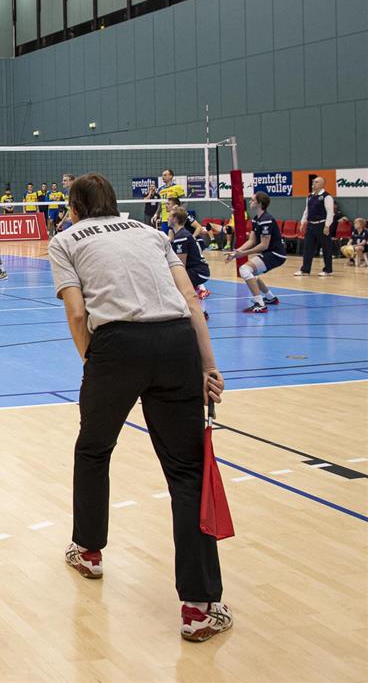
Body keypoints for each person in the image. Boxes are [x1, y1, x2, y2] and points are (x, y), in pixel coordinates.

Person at [47, 172, 229, 643]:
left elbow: (77, 313)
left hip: (116, 346)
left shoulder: (65, 240)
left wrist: (96, 363)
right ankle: (199, 608)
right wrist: (208, 366)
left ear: (75, 208)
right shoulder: (152, 233)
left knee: (93, 450)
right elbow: (190, 300)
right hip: (176, 343)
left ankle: (88, 552)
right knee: (187, 474)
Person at [224, 192, 285, 313]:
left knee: (244, 270)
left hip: (276, 254)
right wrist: (236, 252)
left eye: (252, 200)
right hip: (269, 253)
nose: (250, 202)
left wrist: (243, 254)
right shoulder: (256, 219)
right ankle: (271, 298)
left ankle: (260, 304)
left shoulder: (266, 220)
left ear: (260, 203)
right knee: (251, 273)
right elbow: (251, 241)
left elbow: (263, 245)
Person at [170, 207, 211, 317]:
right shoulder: (180, 234)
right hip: (198, 269)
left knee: (176, 282)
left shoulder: (182, 236)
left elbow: (180, 265)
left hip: (199, 271)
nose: (167, 218)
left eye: (170, 216)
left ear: (175, 219)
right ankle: (200, 311)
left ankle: (194, 312)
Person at [295, 175, 338, 277]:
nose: (314, 183)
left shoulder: (327, 197)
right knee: (307, 248)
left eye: (316, 182)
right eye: (313, 182)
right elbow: (306, 211)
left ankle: (328, 270)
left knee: (326, 248)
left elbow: (330, 213)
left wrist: (327, 226)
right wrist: (303, 222)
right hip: (311, 225)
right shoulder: (309, 196)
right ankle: (305, 270)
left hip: (322, 225)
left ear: (322, 184)